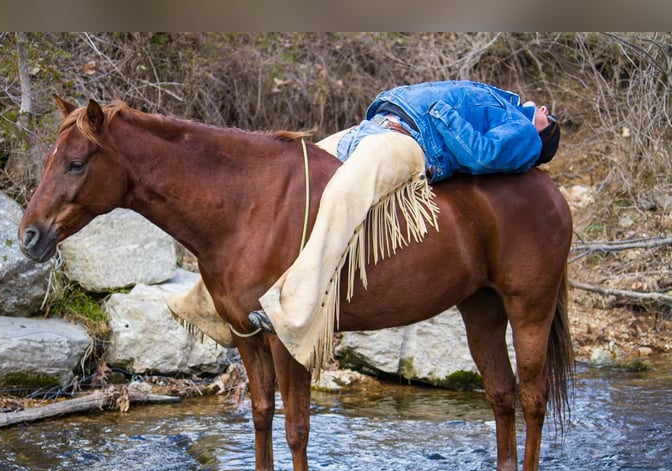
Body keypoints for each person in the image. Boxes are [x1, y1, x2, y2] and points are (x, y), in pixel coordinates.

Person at [169, 81, 561, 373]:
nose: (546, 109)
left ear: (541, 135)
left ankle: (296, 307)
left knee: (343, 194)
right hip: (375, 127)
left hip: (410, 142)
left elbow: (483, 153)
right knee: (293, 181)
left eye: (550, 119)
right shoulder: (506, 103)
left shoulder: (524, 135)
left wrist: (439, 114)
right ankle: (213, 299)